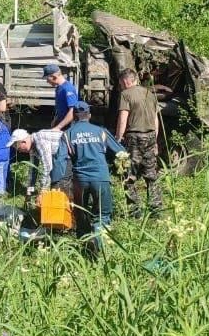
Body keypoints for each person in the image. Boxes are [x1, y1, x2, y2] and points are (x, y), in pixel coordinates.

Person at [50, 101, 127, 233]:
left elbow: (59, 160)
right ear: (89, 115)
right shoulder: (101, 132)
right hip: (101, 178)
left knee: (81, 214)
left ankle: (84, 244)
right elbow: (121, 152)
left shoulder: (67, 134)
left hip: (80, 181)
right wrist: (120, 170)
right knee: (103, 215)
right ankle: (99, 243)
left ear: (74, 116)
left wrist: (55, 183)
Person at [115, 69, 163, 218]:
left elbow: (123, 117)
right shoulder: (150, 94)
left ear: (125, 81)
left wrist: (118, 137)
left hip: (134, 137)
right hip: (150, 136)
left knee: (129, 175)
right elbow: (155, 119)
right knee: (151, 174)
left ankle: (135, 211)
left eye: (121, 83)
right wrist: (154, 139)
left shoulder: (126, 94)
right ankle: (156, 209)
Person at [9, 127, 64, 197]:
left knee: (58, 186)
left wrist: (42, 190)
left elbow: (47, 167)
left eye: (19, 148)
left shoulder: (39, 140)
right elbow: (33, 170)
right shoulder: (32, 147)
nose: (19, 151)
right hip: (60, 156)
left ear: (23, 142)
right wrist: (29, 190)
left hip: (69, 151)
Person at [43, 62, 78, 131]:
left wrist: (58, 127)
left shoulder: (68, 89)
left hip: (68, 128)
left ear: (54, 77)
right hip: (61, 125)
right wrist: (55, 120)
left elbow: (72, 112)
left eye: (47, 78)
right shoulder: (59, 88)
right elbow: (60, 109)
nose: (47, 81)